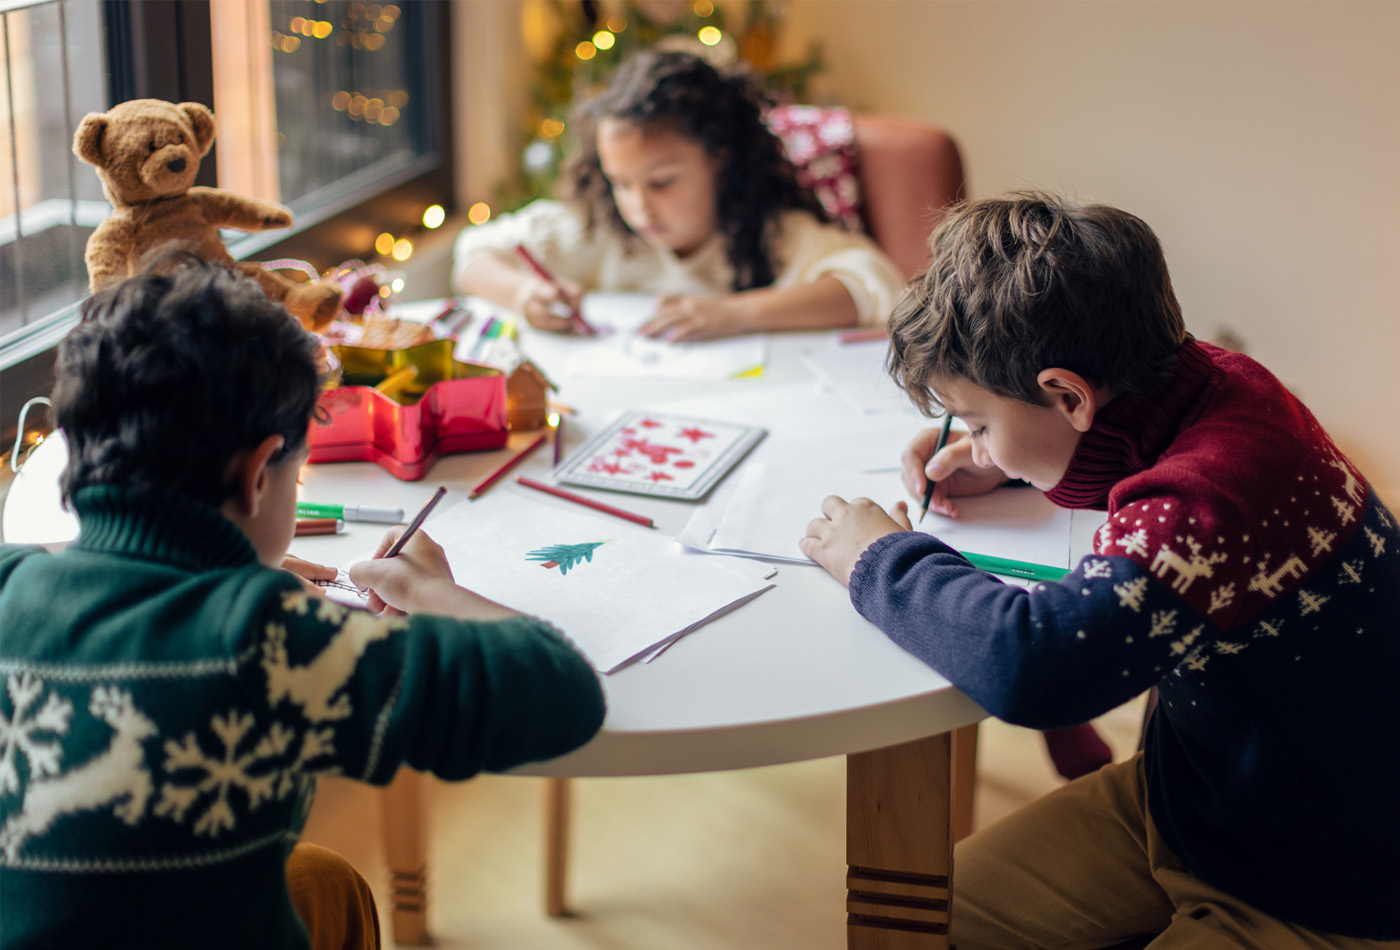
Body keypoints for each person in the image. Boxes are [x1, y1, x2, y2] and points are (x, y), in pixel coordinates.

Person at [800, 193, 1400, 947]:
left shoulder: (1209, 496)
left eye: (979, 423)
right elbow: (1133, 453)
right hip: (1196, 798)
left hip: (1320, 881)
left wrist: (878, 559)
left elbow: (1038, 664)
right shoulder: (1217, 379)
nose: (974, 442)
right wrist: (1009, 463)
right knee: (928, 928)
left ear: (1066, 395)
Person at [0, 255, 606, 950]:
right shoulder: (270, 644)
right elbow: (561, 691)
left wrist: (212, 564)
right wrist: (428, 590)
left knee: (323, 884)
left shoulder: (12, 582)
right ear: (260, 473)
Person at [453, 48, 904, 342]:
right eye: (621, 183)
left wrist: (735, 314)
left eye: (662, 182)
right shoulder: (598, 230)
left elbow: (873, 283)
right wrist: (525, 293)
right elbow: (474, 252)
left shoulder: (768, 234)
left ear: (720, 161)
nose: (638, 207)